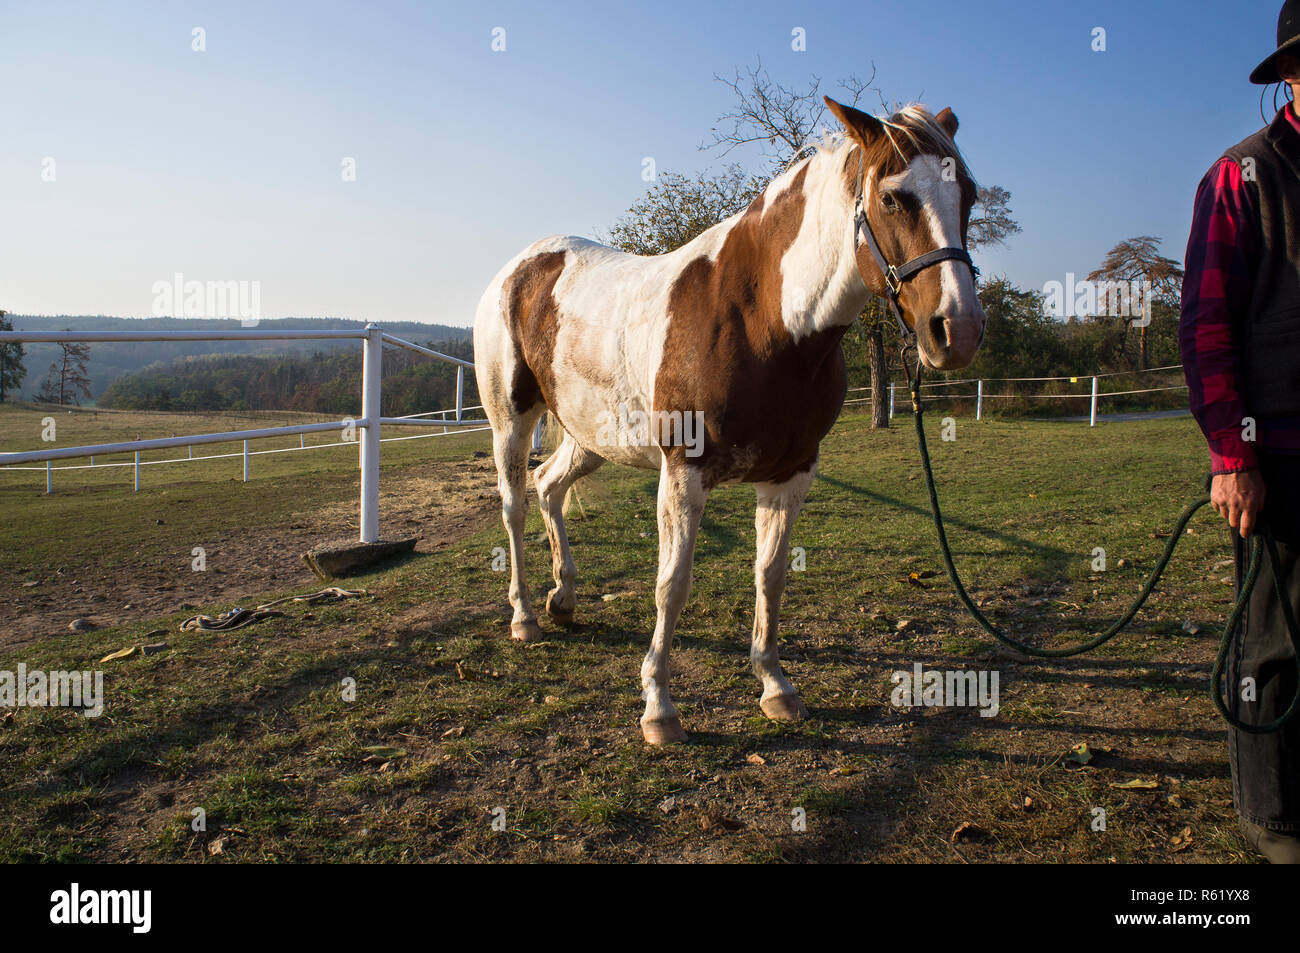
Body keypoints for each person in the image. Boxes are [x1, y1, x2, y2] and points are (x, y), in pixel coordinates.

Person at [1180, 0, 1300, 864]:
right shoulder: (1241, 178)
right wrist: (1233, 454)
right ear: (1292, 74)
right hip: (1277, 459)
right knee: (1275, 644)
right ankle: (1272, 818)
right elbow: (1207, 328)